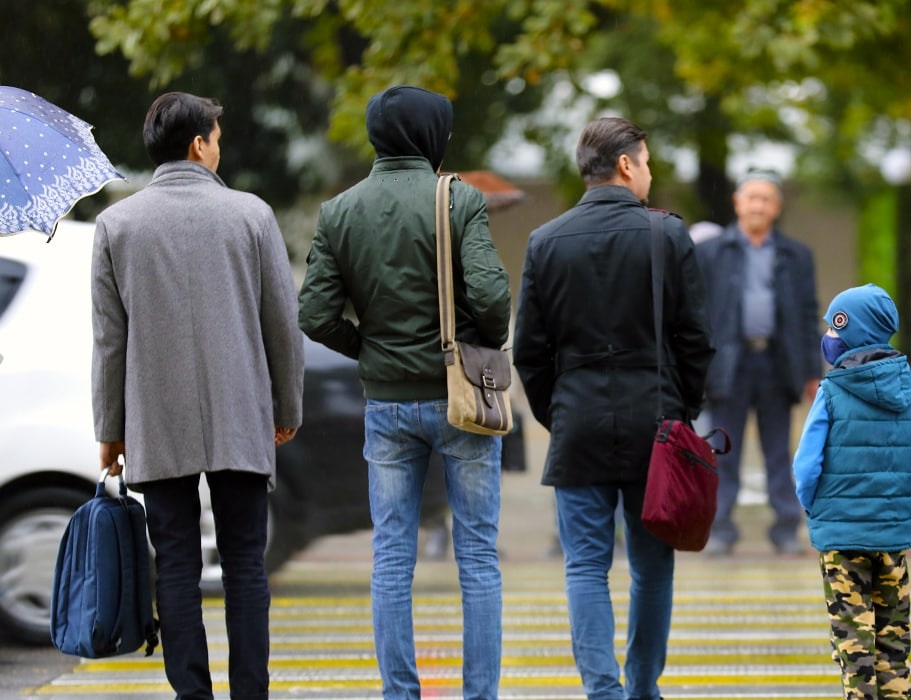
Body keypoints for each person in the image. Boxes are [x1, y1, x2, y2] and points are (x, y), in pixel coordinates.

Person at [297, 85, 510, 700]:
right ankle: (480, 695)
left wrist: (368, 349)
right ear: (431, 135)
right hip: (461, 401)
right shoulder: (458, 197)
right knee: (477, 556)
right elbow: (493, 298)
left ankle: (399, 693)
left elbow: (314, 313)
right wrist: (481, 344)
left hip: (386, 404)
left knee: (391, 556)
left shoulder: (340, 209)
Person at [91, 91, 304, 700]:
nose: (219, 147)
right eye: (217, 136)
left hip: (155, 419)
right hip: (241, 414)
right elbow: (281, 327)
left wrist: (111, 429)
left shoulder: (116, 225)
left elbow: (111, 342)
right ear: (198, 145)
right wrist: (285, 408)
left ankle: (192, 695)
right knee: (244, 565)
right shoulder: (251, 215)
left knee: (177, 565)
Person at [513, 117, 713, 700]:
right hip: (656, 418)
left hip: (578, 420)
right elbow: (696, 338)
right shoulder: (667, 236)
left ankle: (602, 690)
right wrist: (683, 410)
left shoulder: (545, 240)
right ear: (626, 165)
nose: (649, 173)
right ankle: (642, 687)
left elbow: (530, 349)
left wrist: (559, 412)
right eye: (646, 162)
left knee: (584, 566)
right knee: (652, 567)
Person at [793, 283, 911, 700]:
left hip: (840, 543)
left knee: (853, 645)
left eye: (835, 329)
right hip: (891, 540)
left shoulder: (832, 391)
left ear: (851, 332)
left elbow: (805, 466)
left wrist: (813, 506)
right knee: (893, 643)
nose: (829, 338)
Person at [695, 168, 822, 556]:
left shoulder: (796, 254)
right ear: (737, 202)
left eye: (766, 199)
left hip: (776, 362)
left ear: (777, 207)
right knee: (722, 451)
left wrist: (813, 371)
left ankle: (785, 529)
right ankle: (720, 530)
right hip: (727, 365)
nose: (758, 206)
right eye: (751, 197)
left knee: (779, 452)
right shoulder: (710, 253)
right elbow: (696, 313)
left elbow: (806, 312)